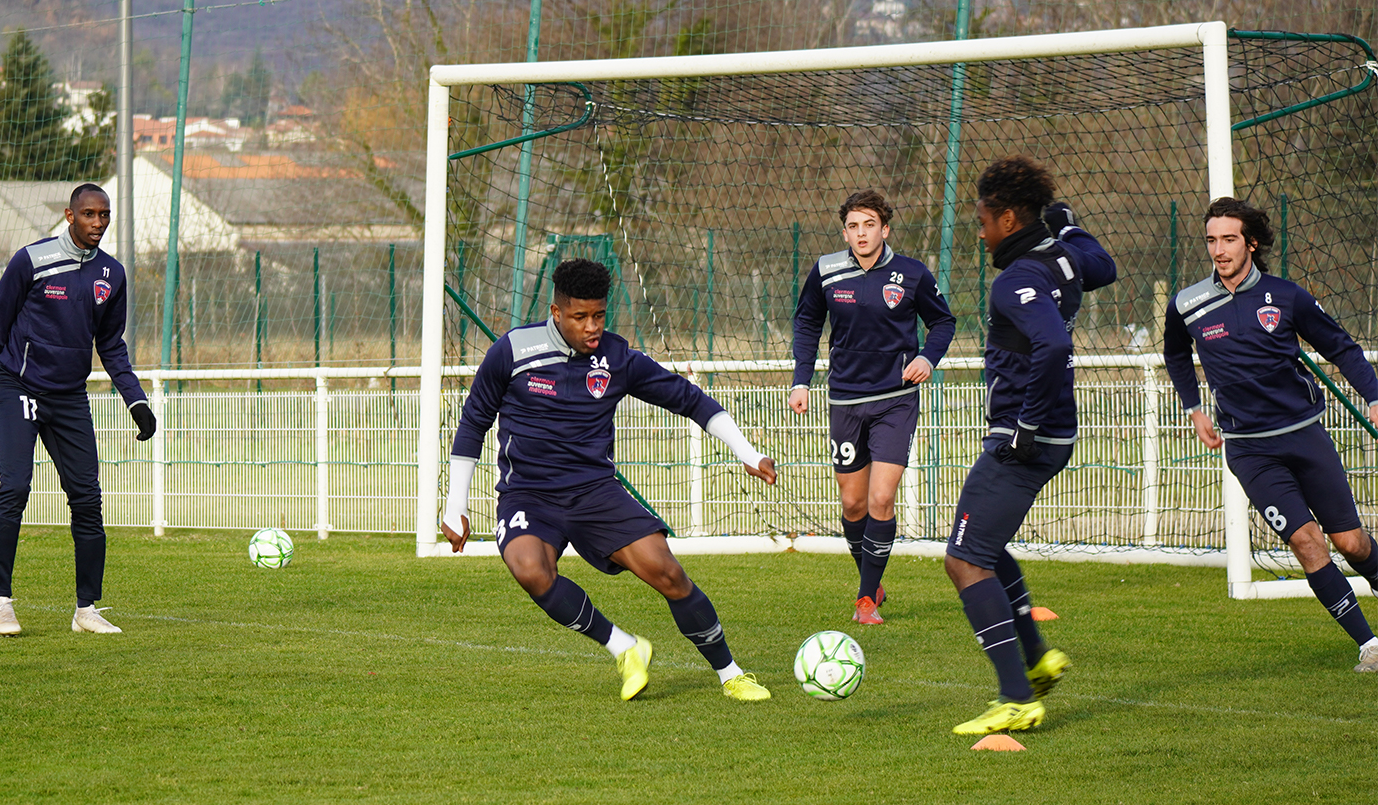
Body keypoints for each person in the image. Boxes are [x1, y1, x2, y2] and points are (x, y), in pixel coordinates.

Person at [442, 258, 778, 702]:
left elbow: (690, 400)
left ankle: (731, 674)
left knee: (668, 572)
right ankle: (624, 646)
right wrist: (455, 504)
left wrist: (748, 453)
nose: (592, 326)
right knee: (530, 569)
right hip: (529, 494)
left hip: (595, 493)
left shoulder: (616, 358)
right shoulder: (512, 351)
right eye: (580, 317)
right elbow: (473, 424)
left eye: (599, 315)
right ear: (556, 312)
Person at [1164, 196, 1378, 673]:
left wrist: (1374, 395)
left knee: (1351, 543)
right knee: (1306, 543)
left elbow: (1341, 347)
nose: (1219, 250)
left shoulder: (1287, 297)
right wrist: (1194, 409)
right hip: (1248, 450)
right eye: (1211, 240)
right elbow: (1176, 356)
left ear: (1250, 242)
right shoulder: (1188, 305)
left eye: (1229, 239)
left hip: (1304, 435)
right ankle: (1369, 644)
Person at [944, 156, 1117, 735]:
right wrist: (1068, 225)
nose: (980, 229)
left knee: (964, 560)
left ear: (1010, 218)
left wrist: (1025, 424)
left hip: (1026, 437)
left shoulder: (1015, 280)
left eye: (985, 219)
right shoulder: (1063, 256)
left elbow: (1051, 348)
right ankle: (1038, 657)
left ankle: (1016, 696)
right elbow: (1104, 264)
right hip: (1053, 434)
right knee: (984, 546)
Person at [0, 183, 156, 636]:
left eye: (104, 215)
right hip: (18, 387)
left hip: (70, 396)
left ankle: (86, 610)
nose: (98, 223)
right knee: (15, 489)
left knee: (88, 499)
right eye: (89, 214)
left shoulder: (112, 274)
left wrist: (137, 399)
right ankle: (0, 602)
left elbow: (110, 345)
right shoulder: (30, 260)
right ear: (70, 216)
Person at [790, 189, 955, 624]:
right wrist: (801, 381)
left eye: (869, 225)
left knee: (882, 498)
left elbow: (943, 321)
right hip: (844, 400)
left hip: (894, 400)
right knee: (853, 506)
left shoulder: (912, 274)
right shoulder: (826, 271)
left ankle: (865, 600)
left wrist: (926, 358)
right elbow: (806, 322)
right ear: (844, 231)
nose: (860, 234)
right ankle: (872, 580)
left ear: (885, 229)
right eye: (852, 226)